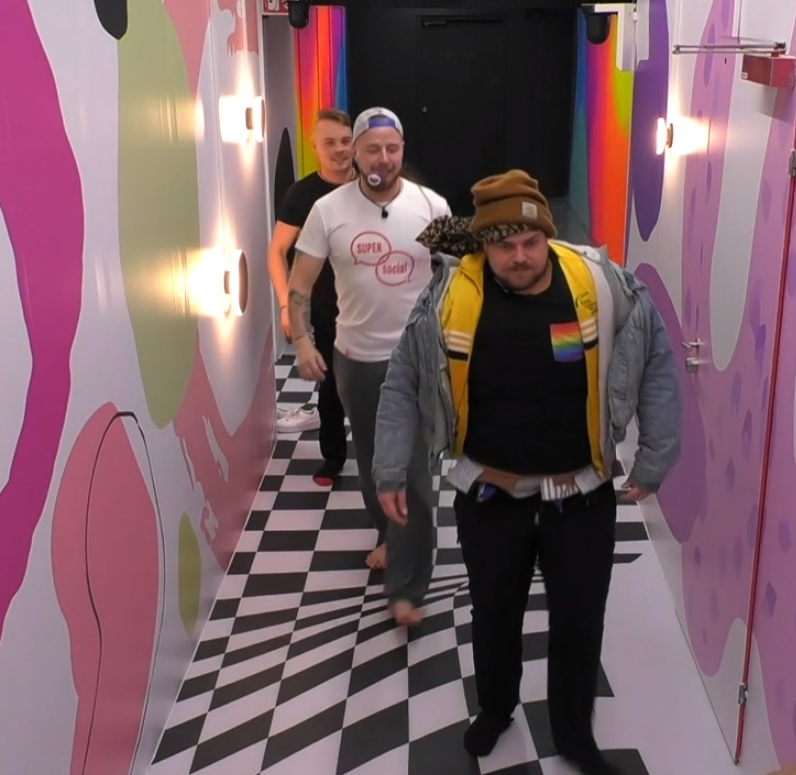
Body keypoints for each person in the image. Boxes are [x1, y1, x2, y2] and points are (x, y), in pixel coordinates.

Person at [370, 169, 683, 774]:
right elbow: (403, 382)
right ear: (483, 245)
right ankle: (495, 709)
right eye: (505, 245)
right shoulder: (449, 297)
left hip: (581, 496)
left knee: (579, 621)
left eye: (531, 242)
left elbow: (658, 363)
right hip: (491, 496)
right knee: (493, 614)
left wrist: (655, 456)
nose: (520, 256)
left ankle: (573, 734)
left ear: (548, 234)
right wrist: (389, 468)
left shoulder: (599, 284)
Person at [287, 107, 452, 619]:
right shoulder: (328, 210)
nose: (383, 158)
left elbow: (459, 279)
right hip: (356, 359)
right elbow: (299, 285)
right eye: (373, 149)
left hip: (417, 359)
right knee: (372, 463)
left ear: (402, 150)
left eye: (392, 148)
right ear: (355, 153)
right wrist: (303, 342)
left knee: (413, 471)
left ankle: (407, 587)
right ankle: (389, 534)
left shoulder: (430, 207)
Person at [267, 108, 354, 487]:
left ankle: (384, 460)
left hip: (373, 305)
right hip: (326, 306)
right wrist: (286, 305)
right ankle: (333, 456)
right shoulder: (301, 195)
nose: (339, 149)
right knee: (331, 381)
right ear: (315, 146)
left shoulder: (372, 185)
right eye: (330, 142)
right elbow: (277, 250)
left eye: (346, 141)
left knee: (385, 384)